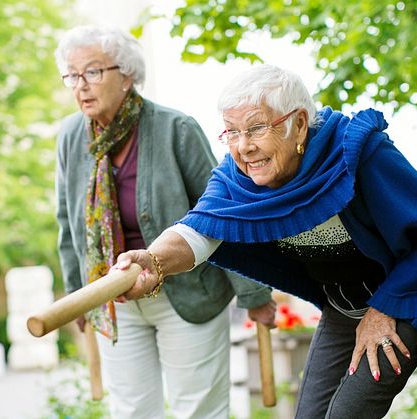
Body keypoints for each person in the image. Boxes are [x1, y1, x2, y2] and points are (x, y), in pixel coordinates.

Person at [115, 64, 417, 418]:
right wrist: (154, 261)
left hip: (406, 301)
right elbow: (198, 229)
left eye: (257, 128)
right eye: (231, 131)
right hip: (342, 310)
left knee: (347, 414)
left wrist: (383, 310)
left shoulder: (358, 153)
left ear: (298, 124)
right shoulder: (237, 176)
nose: (243, 146)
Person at [54, 26, 276, 419]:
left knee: (199, 410)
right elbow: (67, 222)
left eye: (92, 72)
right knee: (132, 411)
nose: (80, 86)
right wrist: (79, 297)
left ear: (126, 75)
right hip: (112, 295)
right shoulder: (71, 136)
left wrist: (254, 294)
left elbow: (222, 212)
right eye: (72, 75)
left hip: (186, 292)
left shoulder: (175, 129)